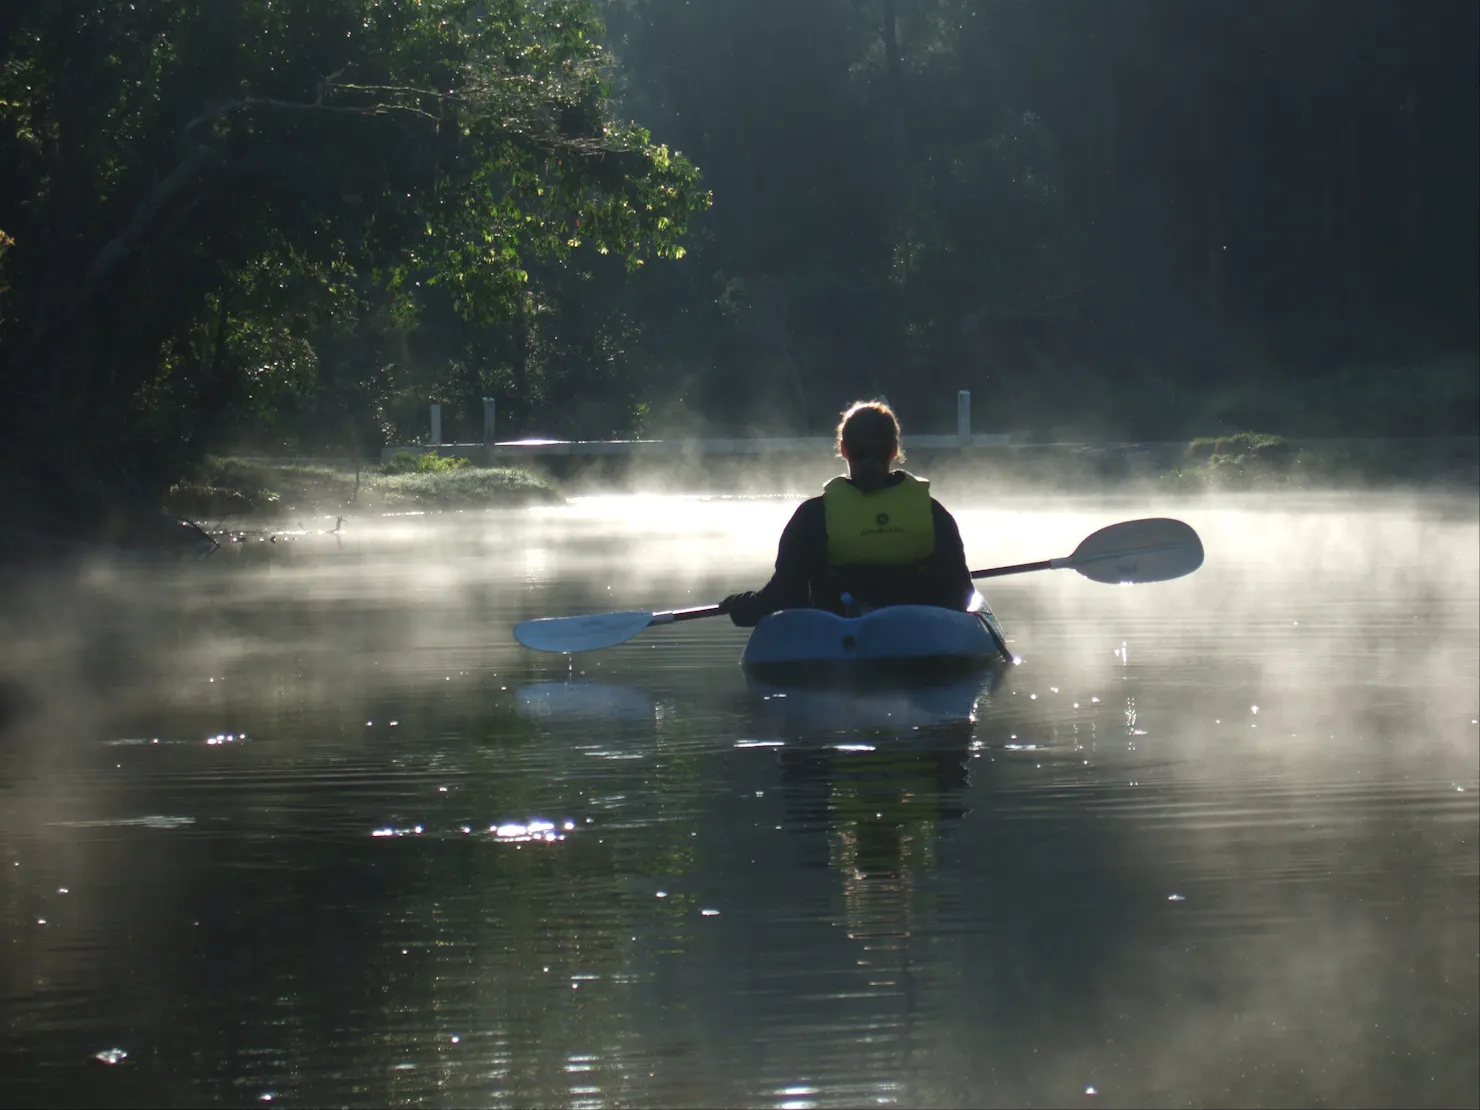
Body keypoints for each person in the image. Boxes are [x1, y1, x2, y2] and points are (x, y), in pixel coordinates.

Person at [720, 400, 974, 627]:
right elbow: (961, 596)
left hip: (836, 638)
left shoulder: (813, 516)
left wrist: (741, 605)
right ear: (894, 449)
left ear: (843, 449)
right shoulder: (932, 512)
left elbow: (783, 597)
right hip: (919, 635)